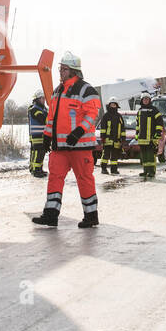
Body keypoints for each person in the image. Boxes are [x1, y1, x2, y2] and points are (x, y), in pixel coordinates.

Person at [32, 52, 101, 228]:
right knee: (54, 177)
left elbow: (92, 114)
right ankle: (51, 215)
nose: (60, 72)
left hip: (81, 146)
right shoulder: (57, 91)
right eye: (60, 69)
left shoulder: (87, 90)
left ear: (74, 71)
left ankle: (91, 216)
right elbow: (51, 118)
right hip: (59, 147)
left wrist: (79, 131)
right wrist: (47, 137)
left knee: (84, 179)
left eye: (64, 69)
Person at [135, 93, 165, 181]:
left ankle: (152, 171)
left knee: (151, 155)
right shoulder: (140, 111)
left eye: (147, 99)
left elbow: (159, 123)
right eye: (144, 99)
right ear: (141, 100)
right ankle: (145, 171)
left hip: (151, 138)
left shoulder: (154, 110)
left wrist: (158, 133)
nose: (145, 100)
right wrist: (137, 134)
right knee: (144, 156)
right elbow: (137, 125)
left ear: (150, 100)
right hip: (142, 138)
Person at [97, 97, 124, 175]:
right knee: (106, 155)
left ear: (117, 106)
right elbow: (103, 128)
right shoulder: (106, 116)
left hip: (116, 140)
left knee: (114, 156)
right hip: (107, 139)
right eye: (112, 104)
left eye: (114, 104)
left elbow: (122, 128)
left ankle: (114, 169)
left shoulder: (119, 116)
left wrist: (123, 138)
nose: (113, 106)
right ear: (109, 105)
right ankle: (103, 168)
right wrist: (102, 137)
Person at [27, 92, 49, 177]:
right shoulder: (34, 109)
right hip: (36, 135)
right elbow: (43, 119)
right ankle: (35, 170)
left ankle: (38, 169)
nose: (44, 100)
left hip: (42, 135)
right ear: (37, 99)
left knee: (41, 152)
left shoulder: (42, 109)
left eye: (44, 98)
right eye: (42, 98)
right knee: (37, 153)